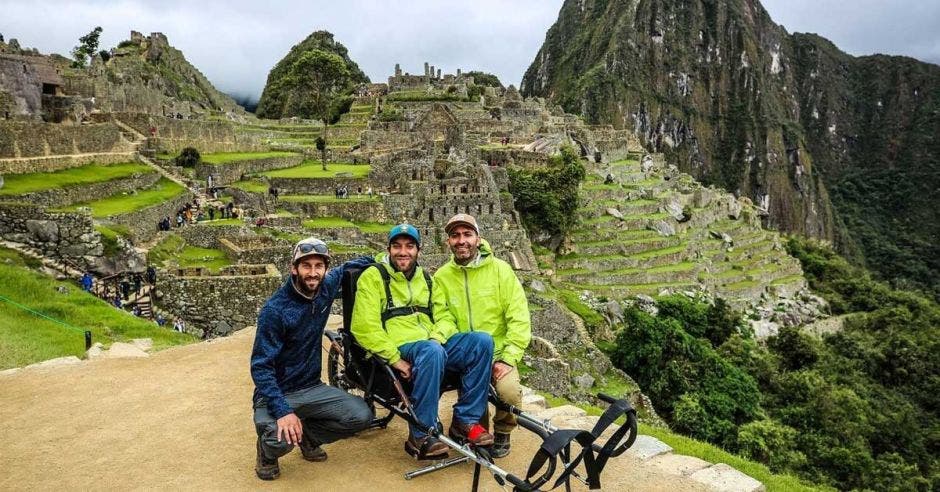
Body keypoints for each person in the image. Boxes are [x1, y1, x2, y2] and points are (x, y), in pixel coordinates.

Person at [351, 224, 495, 459]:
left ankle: (465, 421)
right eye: (397, 246)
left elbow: (445, 317)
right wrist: (394, 358)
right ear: (388, 249)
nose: (403, 252)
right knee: (431, 351)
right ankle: (421, 434)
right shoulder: (374, 277)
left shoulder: (428, 279)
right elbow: (364, 326)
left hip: (431, 343)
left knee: (482, 342)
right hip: (400, 345)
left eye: (409, 246)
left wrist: (437, 338)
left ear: (418, 250)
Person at [251, 237, 374, 481]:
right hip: (276, 392)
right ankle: (267, 451)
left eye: (319, 266)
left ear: (326, 269)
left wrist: (383, 260)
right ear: (293, 268)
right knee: (281, 439)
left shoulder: (325, 287)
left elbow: (357, 264)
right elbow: (261, 367)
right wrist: (284, 410)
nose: (313, 273)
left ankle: (309, 436)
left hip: (311, 386)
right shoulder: (275, 310)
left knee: (362, 416)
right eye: (306, 266)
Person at [432, 214, 531, 458]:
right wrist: (448, 342)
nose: (461, 241)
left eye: (467, 234)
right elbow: (442, 316)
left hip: (498, 352)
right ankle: (469, 429)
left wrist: (508, 357)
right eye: (455, 236)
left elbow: (518, 316)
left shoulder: (501, 271)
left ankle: (504, 431)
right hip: (468, 353)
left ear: (478, 238)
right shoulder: (442, 277)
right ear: (448, 242)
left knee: (508, 392)